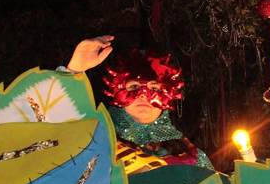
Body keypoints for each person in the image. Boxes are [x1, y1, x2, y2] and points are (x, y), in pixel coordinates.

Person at [64, 36, 214, 172]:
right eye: (134, 87)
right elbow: (55, 131)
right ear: (116, 91)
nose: (143, 95)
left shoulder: (191, 156)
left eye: (154, 88)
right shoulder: (96, 142)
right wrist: (72, 72)